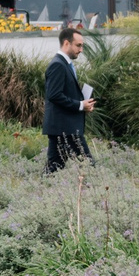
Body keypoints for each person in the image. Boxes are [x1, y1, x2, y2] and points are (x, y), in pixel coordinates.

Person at [42, 22, 95, 172]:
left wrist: (83, 105)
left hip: (63, 127)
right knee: (89, 166)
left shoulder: (64, 64)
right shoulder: (58, 65)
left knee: (53, 168)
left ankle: (41, 192)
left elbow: (60, 94)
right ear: (66, 43)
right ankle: (93, 193)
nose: (81, 49)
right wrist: (80, 105)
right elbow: (54, 95)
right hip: (65, 128)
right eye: (78, 45)